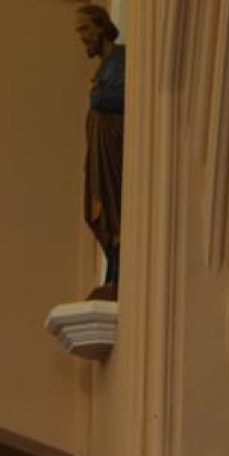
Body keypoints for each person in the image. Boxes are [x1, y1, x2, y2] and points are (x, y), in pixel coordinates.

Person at [75, 5, 125, 296]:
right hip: (99, 152)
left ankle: (117, 271)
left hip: (113, 151)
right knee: (95, 211)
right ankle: (112, 270)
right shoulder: (104, 67)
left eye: (84, 29)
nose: (82, 36)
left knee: (113, 207)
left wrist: (98, 95)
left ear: (101, 27)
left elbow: (132, 96)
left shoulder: (122, 59)